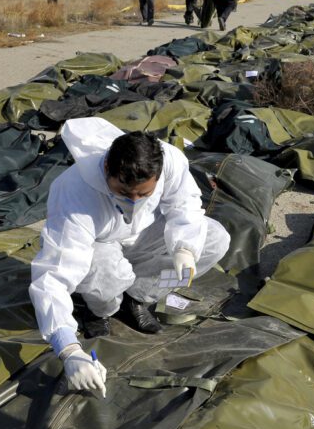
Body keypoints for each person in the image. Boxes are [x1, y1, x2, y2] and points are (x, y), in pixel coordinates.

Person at [29, 118, 230, 397]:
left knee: (214, 239)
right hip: (99, 245)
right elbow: (53, 275)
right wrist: (68, 349)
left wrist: (184, 248)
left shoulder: (169, 161)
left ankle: (137, 296)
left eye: (143, 193)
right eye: (123, 192)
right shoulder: (74, 192)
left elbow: (185, 206)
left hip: (142, 234)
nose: (134, 200)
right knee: (107, 278)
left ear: (157, 176)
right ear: (107, 170)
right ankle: (99, 308)